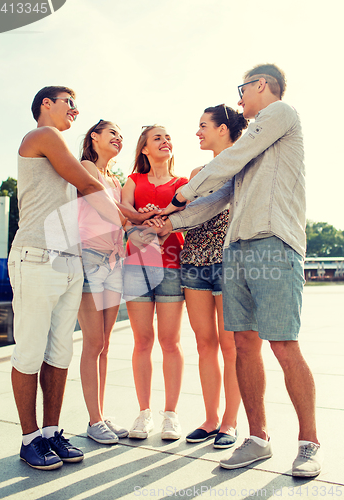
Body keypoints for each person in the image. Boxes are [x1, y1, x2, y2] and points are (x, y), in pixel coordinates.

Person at [160, 64, 321, 477]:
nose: (239, 100)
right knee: (245, 346)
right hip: (236, 249)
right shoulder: (252, 144)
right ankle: (258, 439)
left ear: (262, 85)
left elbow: (230, 158)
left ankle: (308, 444)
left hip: (272, 244)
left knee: (283, 344)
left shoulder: (280, 114)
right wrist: (168, 219)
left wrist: (179, 193)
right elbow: (218, 199)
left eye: (243, 89)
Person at [8, 87, 158, 470]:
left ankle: (50, 431)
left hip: (69, 260)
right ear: (46, 105)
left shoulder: (63, 151)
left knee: (59, 352)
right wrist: (134, 221)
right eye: (68, 102)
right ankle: (29, 438)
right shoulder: (43, 136)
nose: (75, 109)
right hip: (37, 255)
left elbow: (99, 193)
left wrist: (138, 219)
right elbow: (91, 187)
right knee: (29, 351)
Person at [180, 105, 248, 448]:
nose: (198, 132)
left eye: (203, 125)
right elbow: (187, 213)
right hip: (194, 260)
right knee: (204, 344)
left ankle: (230, 421)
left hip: (228, 260)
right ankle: (209, 419)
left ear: (223, 128)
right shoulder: (198, 171)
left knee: (231, 344)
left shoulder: (244, 162)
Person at [121, 125, 188, 440]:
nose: (166, 141)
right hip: (137, 267)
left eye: (168, 136)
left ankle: (171, 415)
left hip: (173, 266)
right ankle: (144, 413)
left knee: (170, 342)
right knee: (143, 342)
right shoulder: (133, 181)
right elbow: (124, 219)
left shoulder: (183, 183)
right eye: (158, 137)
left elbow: (189, 222)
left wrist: (164, 218)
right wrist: (141, 219)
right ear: (144, 149)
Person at [77, 120, 128, 444]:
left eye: (121, 136)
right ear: (94, 137)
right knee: (93, 342)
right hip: (90, 258)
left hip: (113, 261)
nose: (118, 139)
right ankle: (93, 420)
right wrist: (136, 217)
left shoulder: (114, 179)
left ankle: (101, 415)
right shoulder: (85, 168)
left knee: (105, 345)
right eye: (112, 133)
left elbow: (121, 218)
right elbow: (112, 213)